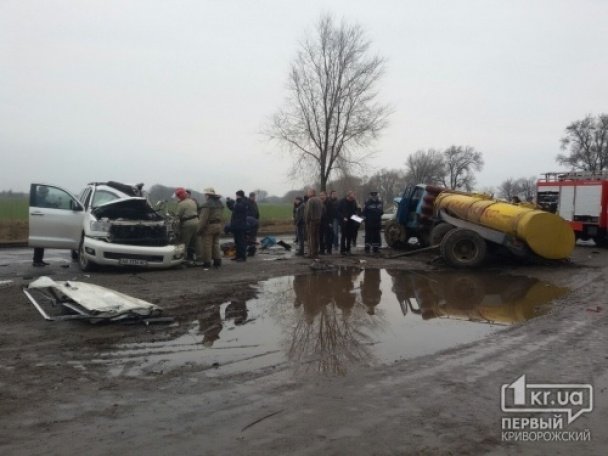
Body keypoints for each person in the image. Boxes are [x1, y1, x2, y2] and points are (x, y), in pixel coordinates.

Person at [198, 187, 224, 268]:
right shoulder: (220, 204)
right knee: (216, 244)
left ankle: (207, 262)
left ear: (207, 195)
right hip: (218, 225)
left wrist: (198, 230)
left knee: (207, 245)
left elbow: (203, 219)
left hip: (209, 227)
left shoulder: (207, 205)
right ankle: (217, 261)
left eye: (205, 194)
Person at [175, 187, 201, 264]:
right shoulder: (192, 201)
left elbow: (178, 216)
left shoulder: (181, 204)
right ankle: (200, 259)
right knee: (197, 242)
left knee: (184, 242)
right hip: (197, 221)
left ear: (179, 196)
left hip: (187, 224)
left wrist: (177, 228)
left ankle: (181, 259)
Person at [32, 185, 53, 267]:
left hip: (41, 222)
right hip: (39, 222)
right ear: (43, 192)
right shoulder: (39, 199)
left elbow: (46, 204)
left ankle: (39, 260)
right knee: (39, 242)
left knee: (41, 242)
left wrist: (53, 204)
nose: (47, 193)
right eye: (46, 192)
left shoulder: (41, 198)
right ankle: (36, 261)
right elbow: (43, 207)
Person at [226, 190, 249, 262]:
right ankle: (238, 256)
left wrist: (231, 202)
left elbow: (236, 208)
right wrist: (229, 203)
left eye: (236, 195)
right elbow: (233, 209)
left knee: (241, 242)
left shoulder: (243, 202)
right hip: (237, 225)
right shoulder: (239, 202)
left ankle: (242, 257)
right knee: (237, 242)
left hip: (240, 225)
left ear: (238, 195)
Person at [304, 188, 323, 259]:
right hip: (318, 220)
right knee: (316, 236)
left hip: (311, 221)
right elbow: (322, 210)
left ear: (312, 193)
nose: (307, 193)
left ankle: (311, 253)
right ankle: (316, 252)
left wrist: (306, 221)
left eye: (308, 192)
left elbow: (308, 212)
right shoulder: (319, 200)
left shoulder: (310, 200)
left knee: (311, 237)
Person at [338, 191, 358, 255]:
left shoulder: (354, 202)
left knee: (349, 236)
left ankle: (348, 250)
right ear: (347, 196)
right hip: (344, 221)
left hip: (351, 221)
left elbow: (355, 210)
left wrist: (356, 216)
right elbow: (338, 211)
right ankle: (342, 250)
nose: (351, 199)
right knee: (343, 236)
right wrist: (343, 217)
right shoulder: (341, 201)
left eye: (353, 198)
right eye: (351, 198)